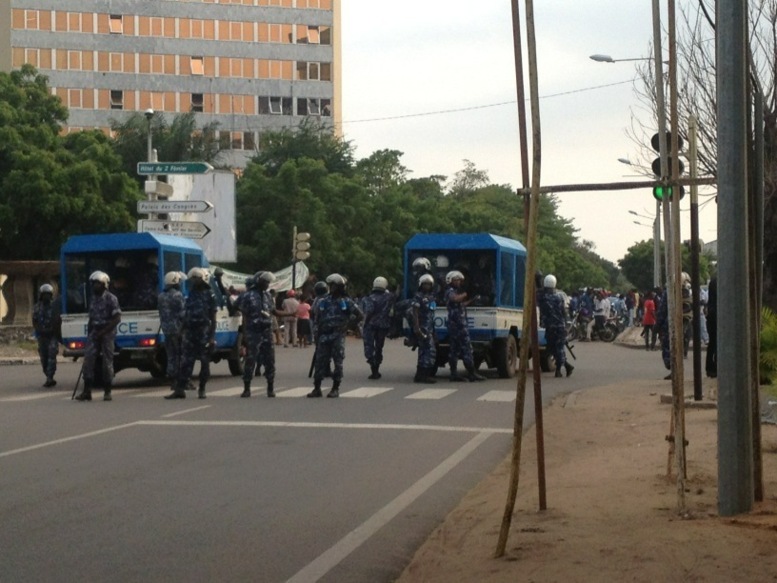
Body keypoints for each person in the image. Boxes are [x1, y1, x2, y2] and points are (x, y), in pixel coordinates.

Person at [308, 273, 363, 398]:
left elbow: (360, 315)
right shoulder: (323, 300)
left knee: (338, 362)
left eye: (334, 286)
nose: (331, 288)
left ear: (340, 287)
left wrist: (348, 326)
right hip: (323, 335)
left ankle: (335, 388)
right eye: (330, 285)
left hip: (337, 335)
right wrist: (317, 331)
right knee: (320, 362)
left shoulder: (346, 301)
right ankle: (317, 388)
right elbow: (316, 315)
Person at [165, 267, 217, 400]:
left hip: (203, 331)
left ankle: (202, 389)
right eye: (193, 279)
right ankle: (180, 389)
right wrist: (181, 331)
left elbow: (213, 317)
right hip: (189, 331)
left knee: (204, 362)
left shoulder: (209, 294)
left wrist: (211, 337)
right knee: (186, 362)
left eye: (197, 279)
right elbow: (186, 314)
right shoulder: (191, 293)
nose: (194, 282)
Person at [235, 271, 285, 398]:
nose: (267, 284)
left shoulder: (268, 296)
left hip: (267, 332)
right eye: (265, 282)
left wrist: (290, 313)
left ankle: (270, 388)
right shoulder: (247, 295)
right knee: (250, 360)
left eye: (268, 282)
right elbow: (240, 310)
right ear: (258, 281)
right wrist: (245, 333)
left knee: (270, 360)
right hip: (253, 332)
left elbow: (273, 311)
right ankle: (247, 388)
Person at [75, 271, 121, 402]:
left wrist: (104, 331)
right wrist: (90, 333)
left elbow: (117, 318)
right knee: (88, 361)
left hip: (107, 333)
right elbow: (91, 317)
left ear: (104, 284)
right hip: (94, 332)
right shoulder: (93, 299)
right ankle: (87, 391)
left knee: (107, 362)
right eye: (93, 284)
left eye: (97, 284)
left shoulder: (111, 298)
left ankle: (107, 391)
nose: (95, 286)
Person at [444, 270, 485, 382]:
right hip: (457, 326)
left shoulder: (456, 291)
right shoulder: (450, 291)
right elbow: (455, 299)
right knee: (464, 349)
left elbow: (461, 304)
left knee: (457, 350)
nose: (459, 282)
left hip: (459, 325)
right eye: (456, 280)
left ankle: (458, 373)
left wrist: (472, 299)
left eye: (459, 280)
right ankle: (470, 373)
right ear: (451, 280)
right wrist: (466, 293)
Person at [539, 274, 573, 378]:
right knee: (557, 348)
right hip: (559, 326)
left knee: (554, 348)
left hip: (550, 327)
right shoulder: (560, 297)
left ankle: (561, 369)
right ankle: (565, 366)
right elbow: (564, 312)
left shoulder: (543, 297)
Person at [362, 276, 395, 379]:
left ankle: (373, 368)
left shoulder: (368, 298)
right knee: (379, 347)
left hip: (370, 326)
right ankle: (376, 367)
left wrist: (365, 323)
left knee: (369, 347)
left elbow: (369, 311)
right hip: (383, 326)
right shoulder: (389, 297)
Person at [158, 271, 187, 386]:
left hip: (166, 330)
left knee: (171, 355)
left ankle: (172, 379)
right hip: (178, 330)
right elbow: (183, 314)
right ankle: (182, 380)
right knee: (181, 355)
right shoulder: (178, 295)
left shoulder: (161, 296)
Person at [32, 283, 61, 387]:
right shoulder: (37, 307)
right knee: (44, 358)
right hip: (41, 336)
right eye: (44, 294)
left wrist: (54, 330)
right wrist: (39, 330)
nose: (46, 297)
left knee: (51, 356)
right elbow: (34, 321)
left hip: (52, 335)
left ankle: (50, 377)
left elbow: (58, 320)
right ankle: (47, 374)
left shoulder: (55, 307)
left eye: (48, 294)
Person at [411, 274, 438, 384]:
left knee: (423, 351)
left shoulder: (432, 296)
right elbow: (415, 312)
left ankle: (419, 375)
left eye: (429, 284)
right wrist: (417, 328)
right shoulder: (418, 296)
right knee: (429, 351)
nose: (427, 286)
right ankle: (425, 375)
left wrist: (434, 331)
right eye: (425, 284)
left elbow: (432, 314)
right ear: (421, 285)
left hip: (429, 327)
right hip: (422, 328)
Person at [705, 277, 717, 378]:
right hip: (716, 316)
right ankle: (713, 367)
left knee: (712, 344)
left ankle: (710, 368)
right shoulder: (718, 281)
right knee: (715, 343)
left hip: (712, 316)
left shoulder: (714, 281)